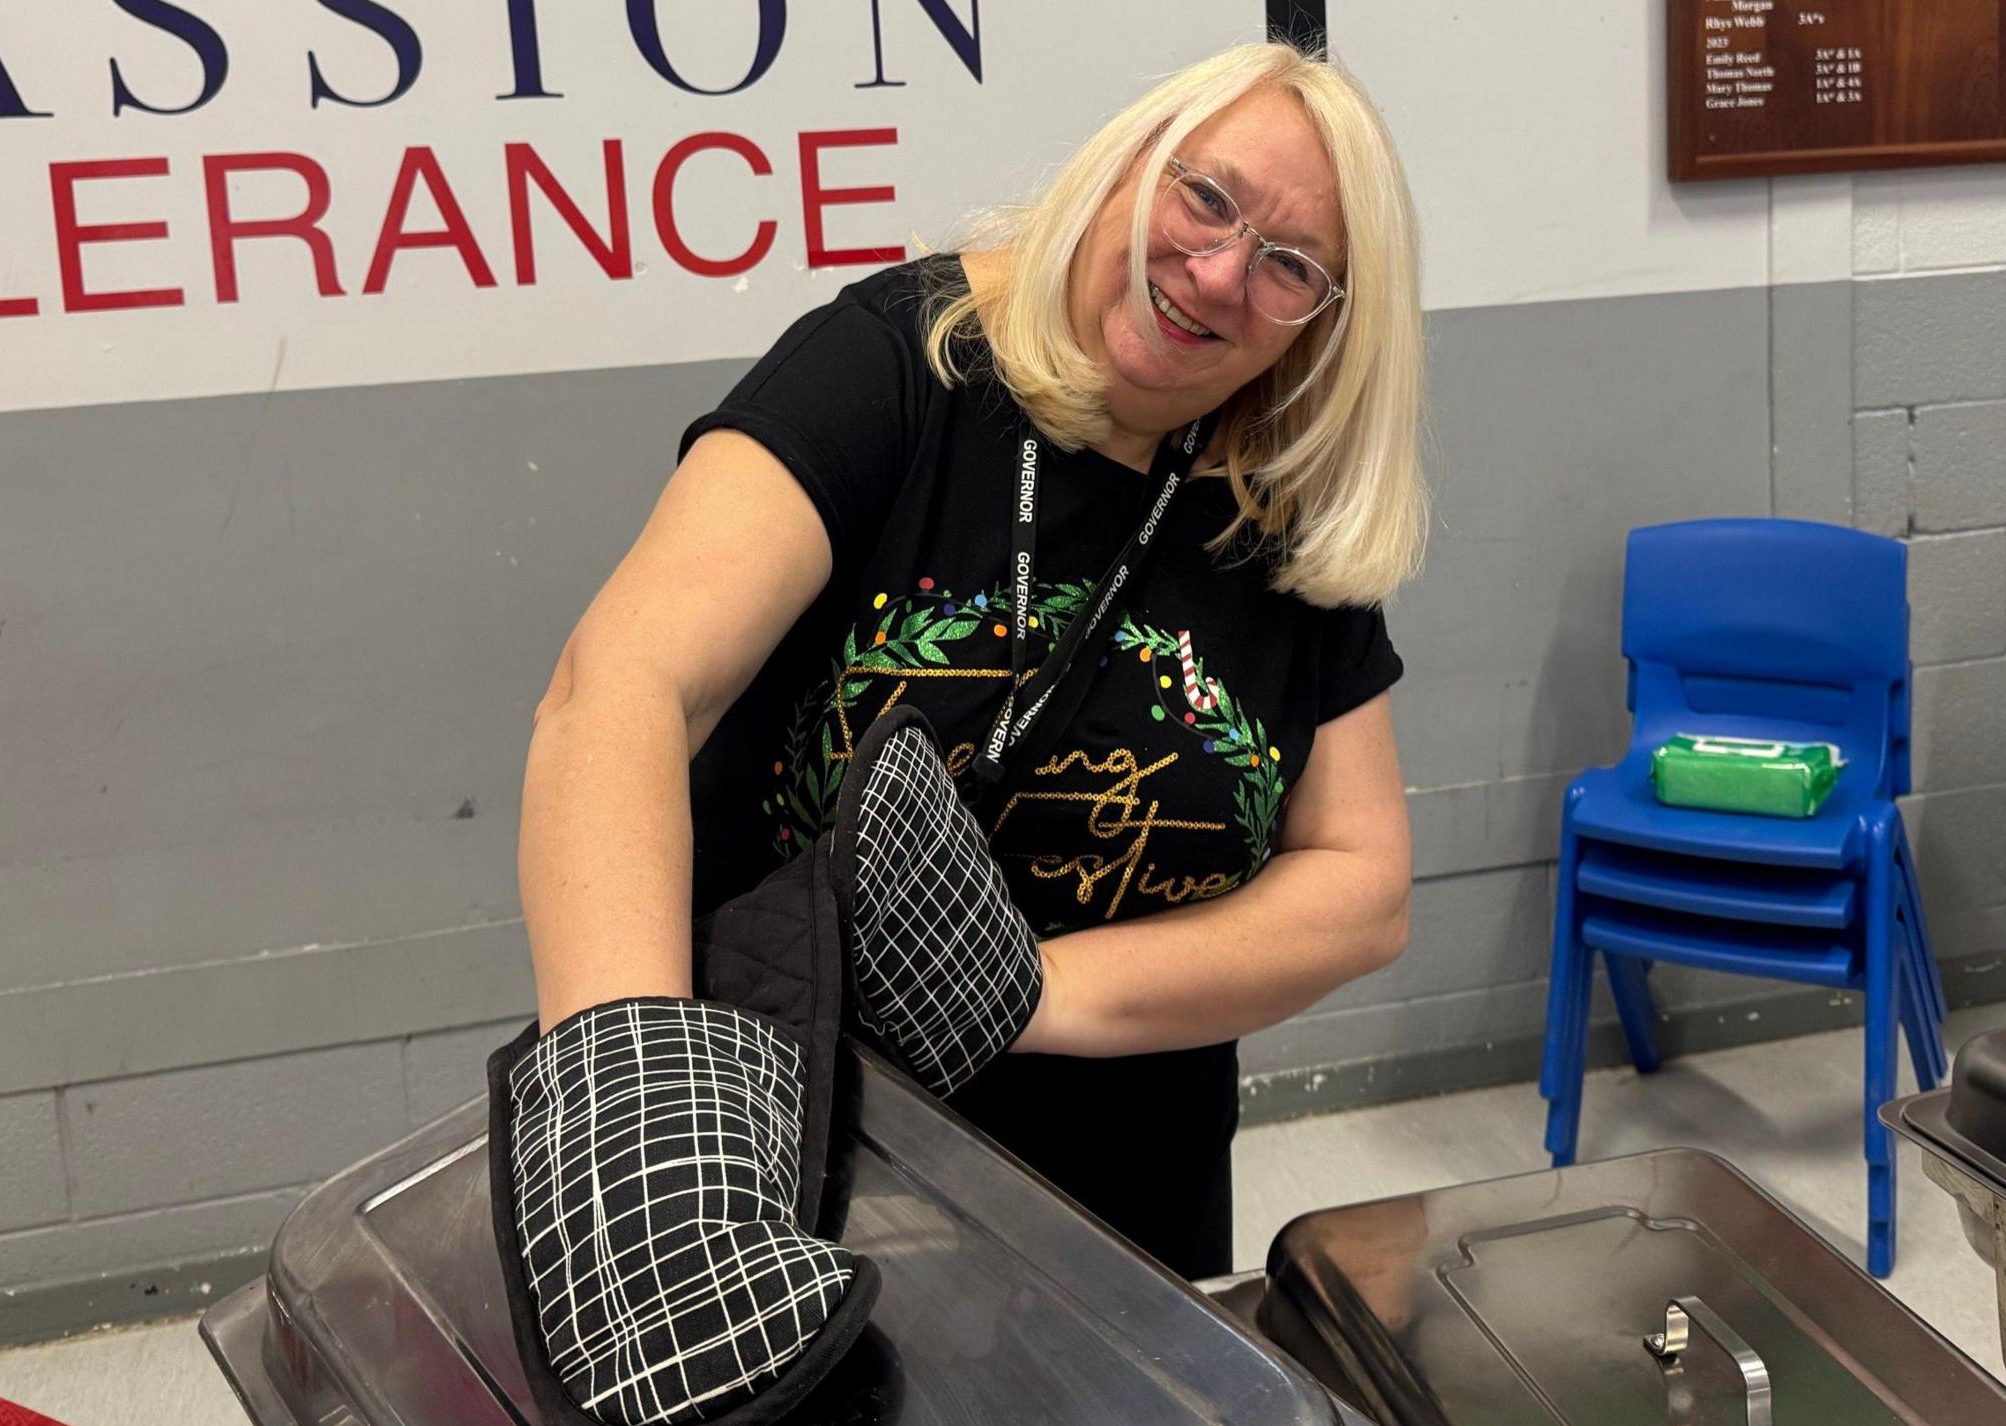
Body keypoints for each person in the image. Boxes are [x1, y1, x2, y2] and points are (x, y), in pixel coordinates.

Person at [517, 39, 1427, 1284]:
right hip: (778, 1165)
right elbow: (619, 685)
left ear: (1324, 323)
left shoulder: (1281, 498)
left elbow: (1362, 885)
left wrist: (1030, 993)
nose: (1217, 273)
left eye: (1289, 266)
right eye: (1204, 196)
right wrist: (632, 1114)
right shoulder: (898, 362)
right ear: (1123, 169)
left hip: (1123, 1200)